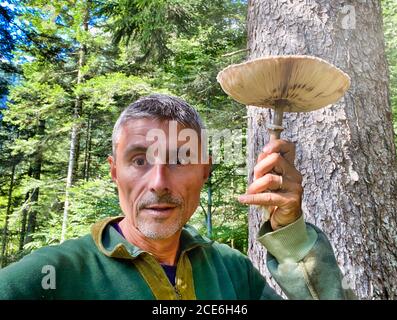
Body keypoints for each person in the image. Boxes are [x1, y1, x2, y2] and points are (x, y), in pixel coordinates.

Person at [0, 94, 354, 299]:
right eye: (139, 160)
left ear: (205, 170)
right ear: (114, 172)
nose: (158, 182)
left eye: (181, 159)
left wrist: (291, 233)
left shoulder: (233, 273)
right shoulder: (52, 275)